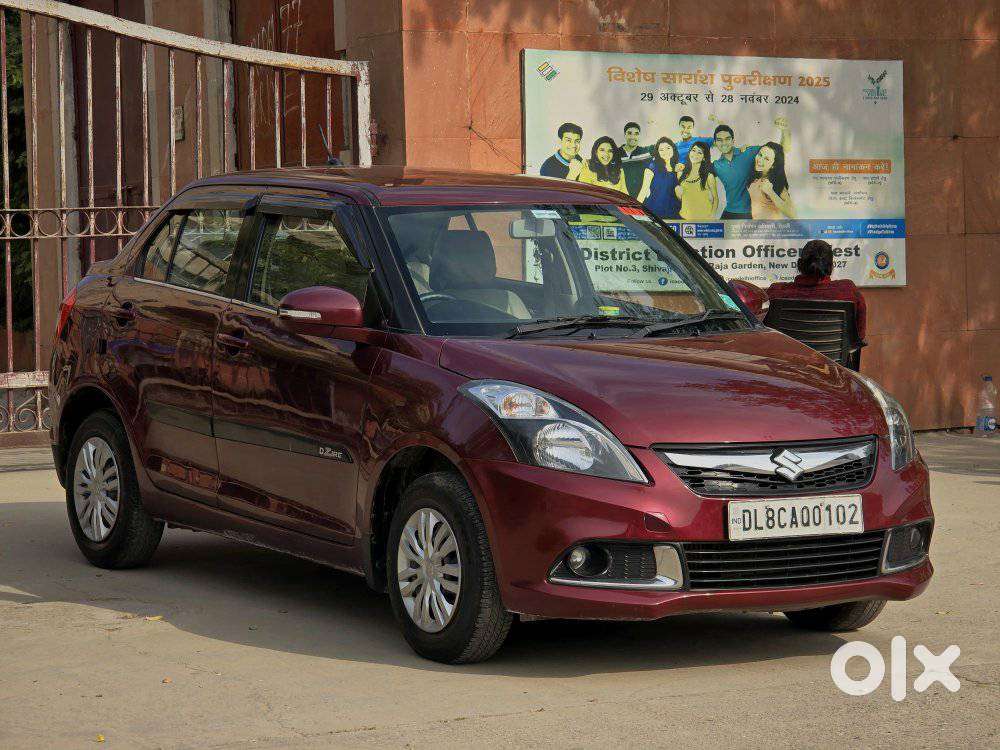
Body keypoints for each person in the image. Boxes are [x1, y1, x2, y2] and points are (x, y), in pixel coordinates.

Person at [766, 239, 867, 341]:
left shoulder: (776, 292)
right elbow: (859, 335)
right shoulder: (848, 291)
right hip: (833, 356)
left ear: (799, 264)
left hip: (788, 356)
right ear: (831, 266)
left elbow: (763, 330)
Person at [713, 116, 791, 220]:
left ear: (733, 140)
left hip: (751, 214)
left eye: (727, 139)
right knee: (718, 234)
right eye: (719, 140)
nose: (724, 143)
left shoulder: (748, 152)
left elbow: (779, 151)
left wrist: (785, 131)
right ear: (715, 142)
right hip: (729, 211)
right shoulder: (716, 165)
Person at [636, 137, 683, 220]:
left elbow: (681, 191)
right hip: (655, 210)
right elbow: (643, 191)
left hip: (674, 212)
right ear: (657, 152)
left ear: (673, 149)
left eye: (668, 148)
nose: (665, 152)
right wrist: (635, 211)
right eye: (661, 150)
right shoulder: (652, 167)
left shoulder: (678, 167)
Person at [748, 141, 795, 219]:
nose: (760, 160)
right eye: (760, 155)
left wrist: (771, 192)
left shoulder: (775, 183)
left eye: (766, 159)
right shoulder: (756, 178)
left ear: (773, 165)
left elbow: (792, 214)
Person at [675, 141, 718, 220]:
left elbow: (715, 199)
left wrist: (712, 216)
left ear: (704, 157)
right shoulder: (681, 174)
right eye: (693, 150)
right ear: (689, 152)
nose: (695, 154)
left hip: (703, 220)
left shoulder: (708, 176)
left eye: (700, 152)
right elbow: (681, 197)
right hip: (683, 218)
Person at [617, 121, 652, 197]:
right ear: (624, 135)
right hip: (620, 196)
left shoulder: (645, 153)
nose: (633, 137)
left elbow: (651, 173)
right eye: (629, 133)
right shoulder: (616, 154)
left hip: (641, 198)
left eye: (636, 134)